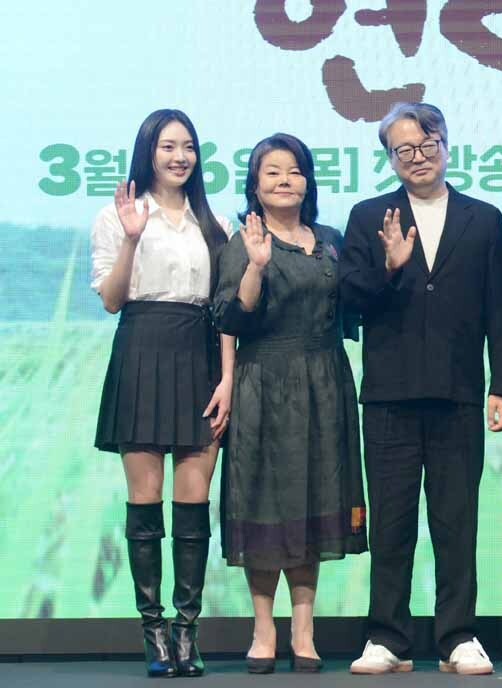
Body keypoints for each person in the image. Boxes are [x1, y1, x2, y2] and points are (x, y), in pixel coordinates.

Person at [340, 102, 502, 676]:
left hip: (459, 392)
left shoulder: (483, 218)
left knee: (456, 522)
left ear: (445, 144)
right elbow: (350, 300)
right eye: (404, 149)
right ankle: (386, 638)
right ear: (390, 158)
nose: (418, 157)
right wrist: (389, 267)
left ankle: (457, 636)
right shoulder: (369, 216)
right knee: (391, 523)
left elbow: (499, 308)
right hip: (389, 394)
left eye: (427, 144)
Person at [213, 133, 368, 674]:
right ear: (255, 185)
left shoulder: (330, 240)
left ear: (308, 181)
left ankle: (304, 630)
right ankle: (263, 630)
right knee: (262, 501)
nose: (285, 180)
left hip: (324, 381)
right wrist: (256, 266)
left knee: (314, 499)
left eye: (294, 170)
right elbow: (232, 316)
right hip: (264, 381)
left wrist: (392, 269)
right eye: (272, 172)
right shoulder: (244, 241)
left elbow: (356, 304)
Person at [91, 109, 233, 678]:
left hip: (200, 356)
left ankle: (186, 632)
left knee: (194, 503)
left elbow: (227, 309)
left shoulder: (213, 222)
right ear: (147, 150)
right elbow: (111, 299)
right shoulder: (117, 215)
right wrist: (131, 238)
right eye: (168, 146)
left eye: (189, 147)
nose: (180, 157)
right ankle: (153, 633)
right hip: (142, 351)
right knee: (145, 503)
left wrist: (227, 378)